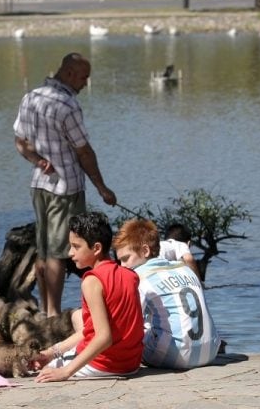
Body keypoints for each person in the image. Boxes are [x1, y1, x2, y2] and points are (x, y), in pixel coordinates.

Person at [14, 52, 117, 317]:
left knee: (44, 248)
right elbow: (83, 151)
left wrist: (37, 160)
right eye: (83, 77)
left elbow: (20, 142)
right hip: (64, 188)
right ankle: (53, 314)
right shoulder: (67, 105)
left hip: (39, 185)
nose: (85, 83)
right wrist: (101, 187)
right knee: (59, 252)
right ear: (70, 73)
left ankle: (47, 309)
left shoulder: (31, 97)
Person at [33, 212, 144, 382]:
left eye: (76, 247)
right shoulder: (130, 275)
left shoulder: (92, 281)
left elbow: (103, 337)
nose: (70, 253)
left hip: (104, 364)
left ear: (96, 248)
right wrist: (51, 352)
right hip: (131, 364)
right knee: (76, 326)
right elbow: (93, 330)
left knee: (45, 370)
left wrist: (65, 372)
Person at [113, 218, 222, 369]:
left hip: (172, 357)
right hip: (210, 351)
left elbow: (128, 324)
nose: (122, 266)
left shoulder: (137, 277)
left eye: (125, 259)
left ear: (145, 250)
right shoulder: (185, 269)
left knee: (139, 326)